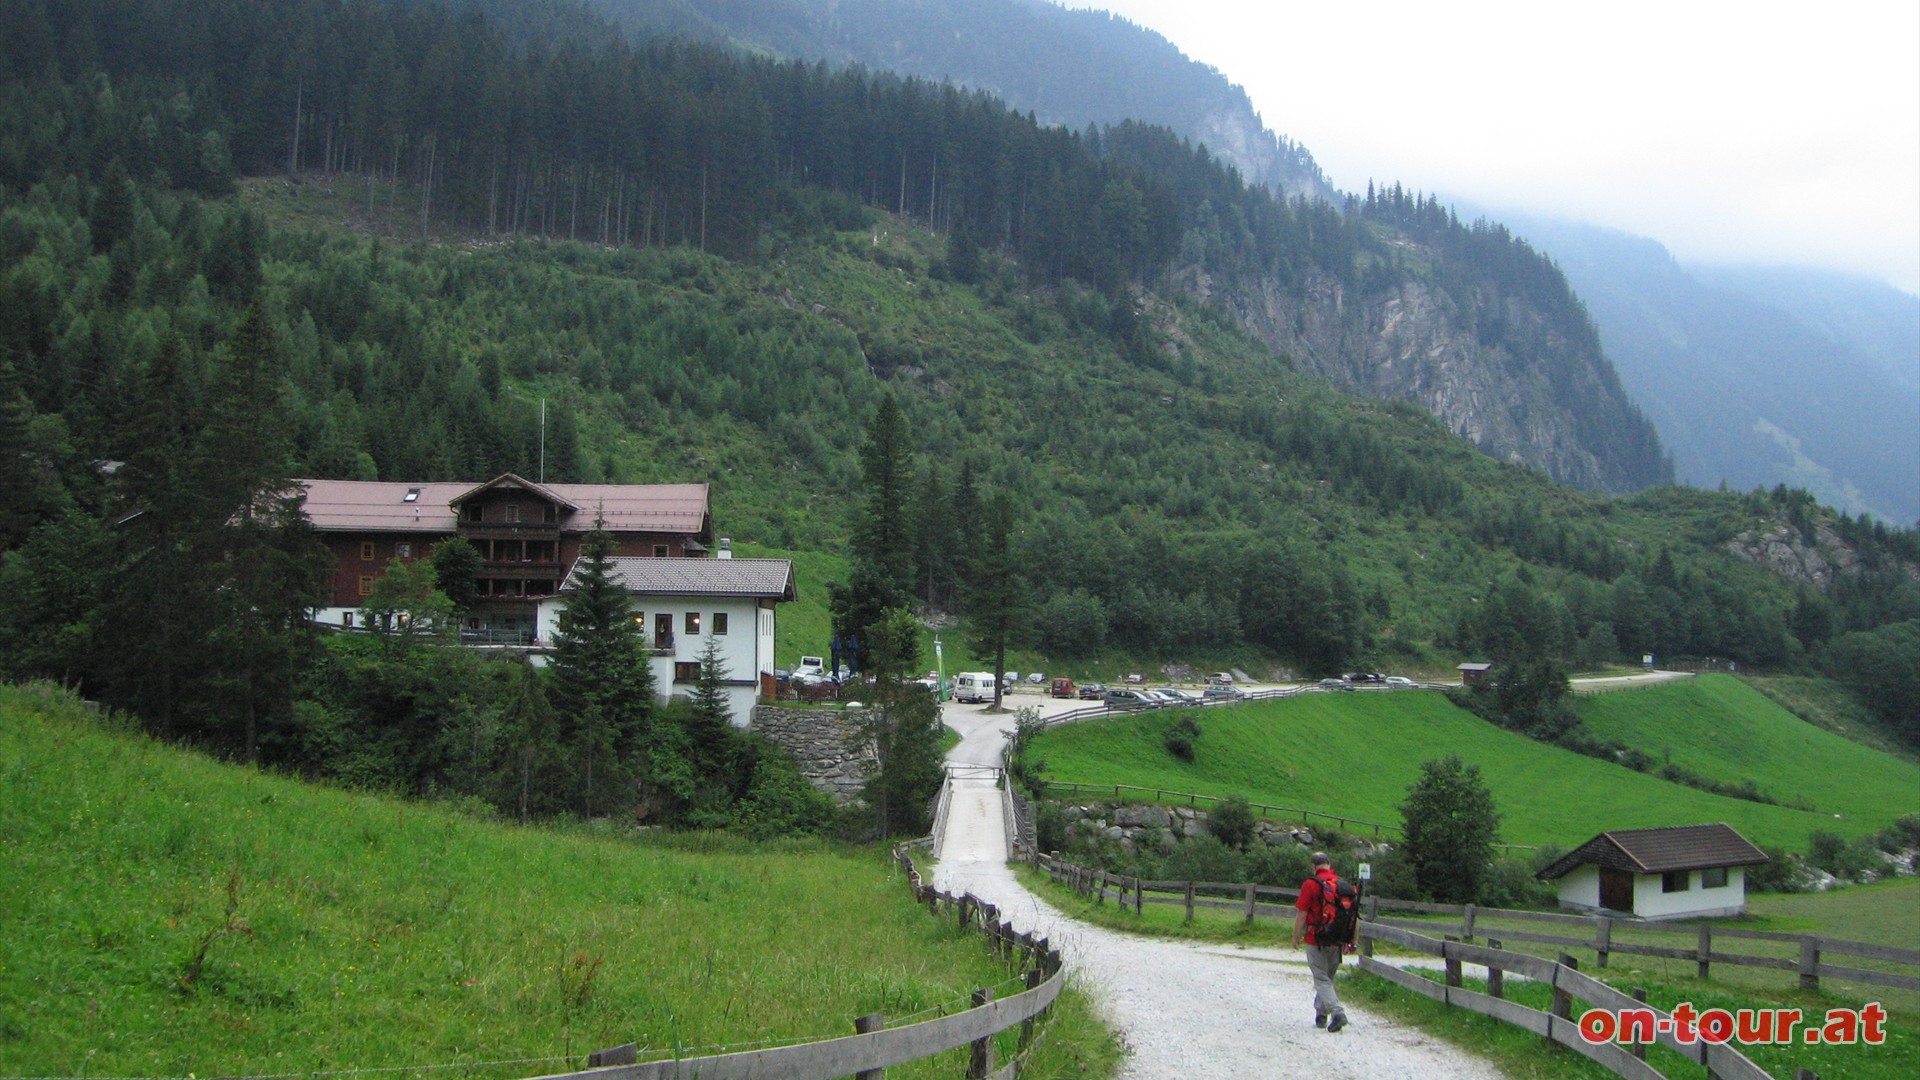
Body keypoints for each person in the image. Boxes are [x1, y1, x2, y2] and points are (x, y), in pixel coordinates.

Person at [1292, 851, 1349, 1032]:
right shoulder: (1342, 885)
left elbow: (1302, 913)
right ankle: (1321, 1015)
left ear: (1313, 866)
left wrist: (1295, 936)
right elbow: (1353, 915)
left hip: (1316, 938)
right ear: (1329, 864)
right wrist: (1352, 940)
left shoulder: (1311, 884)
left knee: (1321, 979)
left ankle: (1337, 1013)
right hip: (1337, 939)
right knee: (1327, 979)